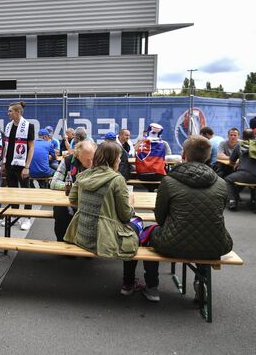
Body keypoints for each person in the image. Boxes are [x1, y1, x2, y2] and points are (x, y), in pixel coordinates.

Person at [141, 135, 233, 302]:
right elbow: (218, 212)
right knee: (204, 232)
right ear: (207, 155)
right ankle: (201, 280)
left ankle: (152, 287)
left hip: (172, 243)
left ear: (183, 155)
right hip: (216, 243)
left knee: (148, 233)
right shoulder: (220, 183)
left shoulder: (169, 181)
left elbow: (160, 218)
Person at [63, 142, 149, 299]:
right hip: (104, 238)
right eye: (119, 158)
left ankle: (130, 281)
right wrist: (131, 203)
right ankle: (128, 283)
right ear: (113, 159)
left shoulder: (83, 175)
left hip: (82, 234)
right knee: (138, 224)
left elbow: (73, 199)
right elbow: (125, 216)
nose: (119, 162)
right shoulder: (117, 179)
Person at [50, 140, 95, 241]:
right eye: (88, 160)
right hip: (69, 201)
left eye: (93, 158)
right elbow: (53, 183)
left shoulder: (99, 162)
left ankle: (87, 243)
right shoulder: (68, 161)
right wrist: (75, 186)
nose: (92, 163)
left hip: (90, 201)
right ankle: (63, 242)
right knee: (60, 210)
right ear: (78, 156)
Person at [2, 101, 35, 230]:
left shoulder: (29, 126)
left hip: (22, 166)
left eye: (10, 111)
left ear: (18, 112)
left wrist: (27, 166)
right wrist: (4, 162)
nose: (8, 113)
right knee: (12, 191)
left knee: (26, 192)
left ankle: (26, 218)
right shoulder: (8, 126)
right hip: (10, 164)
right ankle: (14, 215)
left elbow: (31, 148)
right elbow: (6, 145)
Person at [225, 129, 256, 210]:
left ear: (242, 136)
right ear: (254, 136)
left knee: (228, 179)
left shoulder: (240, 145)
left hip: (244, 175)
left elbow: (231, 160)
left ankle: (232, 201)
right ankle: (254, 201)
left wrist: (239, 161)